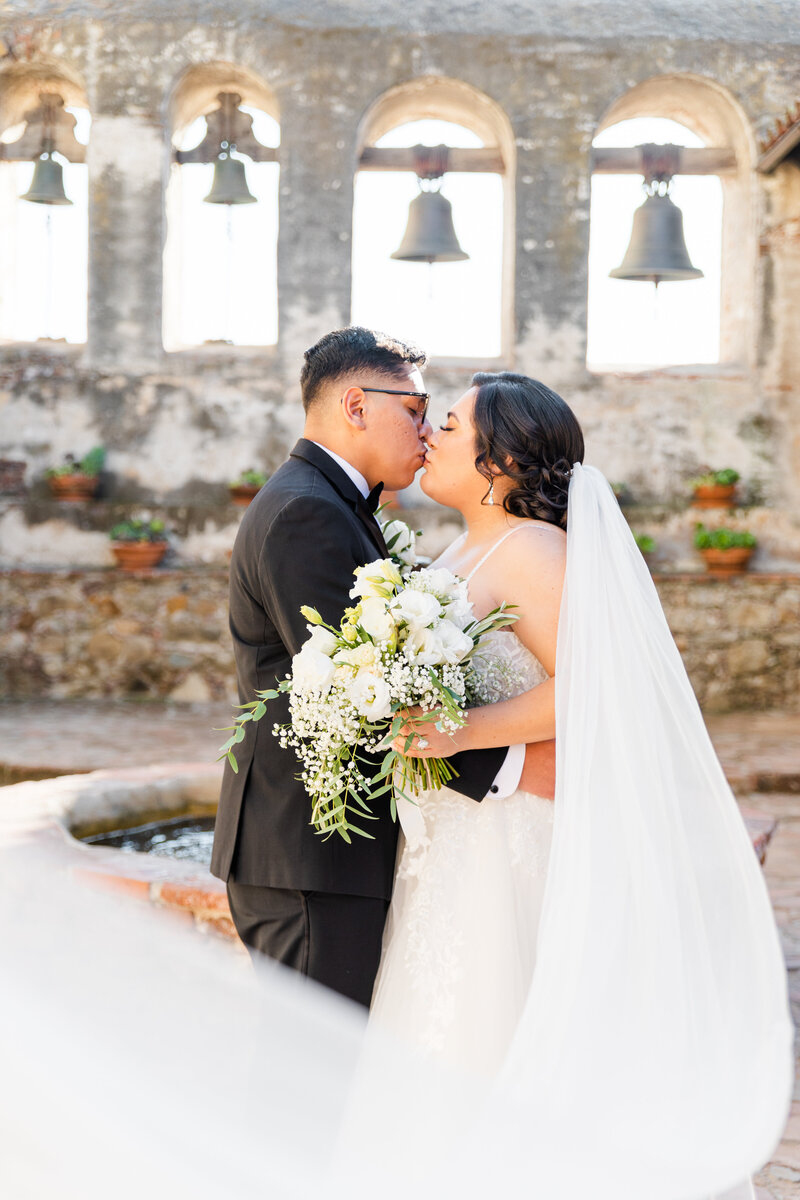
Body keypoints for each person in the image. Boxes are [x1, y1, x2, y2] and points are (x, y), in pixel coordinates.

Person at [365, 371, 792, 1198]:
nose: (433, 437)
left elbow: (593, 686)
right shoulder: (458, 549)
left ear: (502, 461)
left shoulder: (534, 551)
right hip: (455, 842)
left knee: (505, 1028)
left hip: (511, 842)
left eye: (450, 425)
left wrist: (459, 732)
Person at [210, 331, 555, 1007]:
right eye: (416, 409)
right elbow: (359, 691)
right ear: (358, 405)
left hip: (328, 851)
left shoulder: (329, 503)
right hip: (309, 853)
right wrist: (512, 770)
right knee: (311, 1074)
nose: (426, 431)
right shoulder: (307, 511)